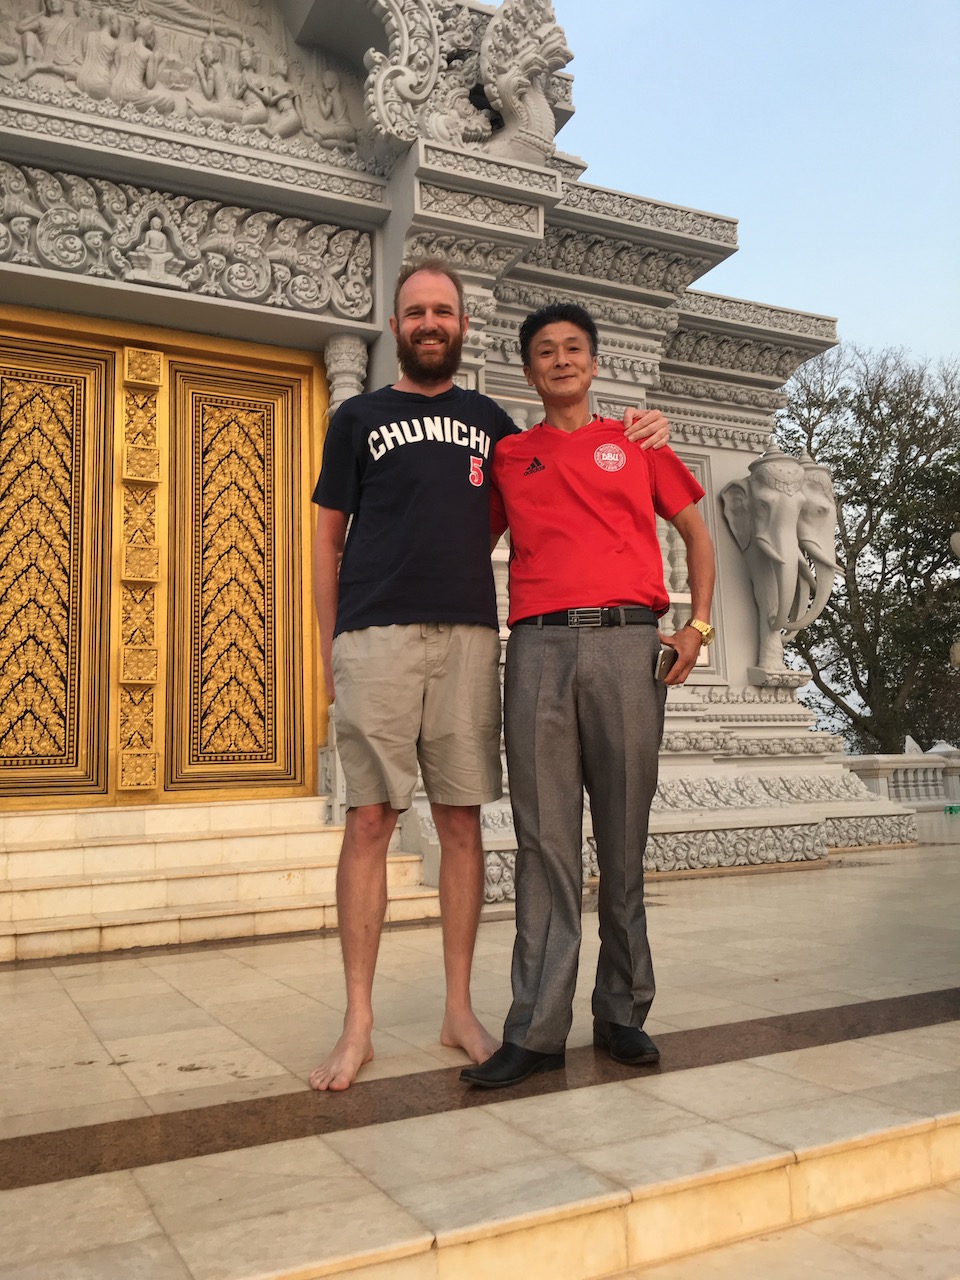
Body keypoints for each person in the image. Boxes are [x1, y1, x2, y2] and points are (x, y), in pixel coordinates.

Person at [309, 260, 671, 1091]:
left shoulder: (495, 427)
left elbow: (572, 471)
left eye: (443, 310)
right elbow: (328, 540)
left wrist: (641, 431)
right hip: (376, 637)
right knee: (368, 821)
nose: (429, 322)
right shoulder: (358, 417)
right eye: (414, 312)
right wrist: (331, 648)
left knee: (463, 821)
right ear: (396, 325)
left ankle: (460, 1010)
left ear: (463, 326)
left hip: (476, 638)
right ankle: (357, 1020)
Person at [461, 302, 715, 1089]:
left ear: (594, 363)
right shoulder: (510, 455)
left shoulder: (635, 443)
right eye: (545, 351)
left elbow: (698, 538)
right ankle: (535, 1029)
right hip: (536, 645)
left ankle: (622, 1012)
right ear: (530, 370)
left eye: (574, 348)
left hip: (628, 643)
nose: (561, 360)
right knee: (543, 842)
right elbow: (470, 543)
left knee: (624, 836)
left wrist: (696, 629)